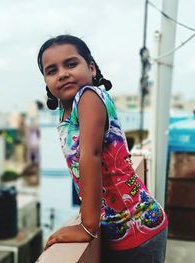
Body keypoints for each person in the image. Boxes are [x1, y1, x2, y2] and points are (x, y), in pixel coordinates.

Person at [37, 35, 168, 263]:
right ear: (46, 81)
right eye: (52, 70)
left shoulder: (88, 97)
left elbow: (91, 156)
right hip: (120, 226)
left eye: (71, 64)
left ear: (91, 68)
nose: (62, 73)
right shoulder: (66, 109)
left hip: (136, 226)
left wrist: (87, 226)